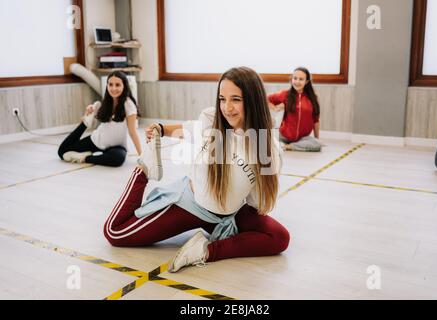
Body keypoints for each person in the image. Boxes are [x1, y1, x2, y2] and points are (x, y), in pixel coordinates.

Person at [103, 66, 290, 273]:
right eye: (222, 99)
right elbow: (187, 129)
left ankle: (205, 251)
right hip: (190, 205)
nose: (227, 108)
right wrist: (161, 129)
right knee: (115, 232)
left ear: (253, 100)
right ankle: (143, 169)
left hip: (226, 216)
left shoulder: (269, 149)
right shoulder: (211, 120)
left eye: (236, 99)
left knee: (280, 238)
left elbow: (255, 202)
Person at [57, 71, 142, 167]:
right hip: (96, 141)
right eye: (110, 84)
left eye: (117, 85)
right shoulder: (107, 102)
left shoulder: (128, 104)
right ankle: (86, 122)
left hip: (116, 146)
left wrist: (142, 156)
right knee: (62, 152)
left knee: (118, 159)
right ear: (107, 86)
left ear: (124, 86)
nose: (113, 88)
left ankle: (84, 158)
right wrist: (87, 116)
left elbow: (133, 132)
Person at [268, 67, 322, 152]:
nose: (297, 82)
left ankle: (288, 147)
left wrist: (316, 139)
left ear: (306, 81)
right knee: (270, 141)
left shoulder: (313, 99)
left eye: (301, 79)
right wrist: (275, 108)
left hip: (302, 139)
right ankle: (286, 145)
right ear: (291, 79)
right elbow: (266, 99)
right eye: (295, 78)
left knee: (318, 144)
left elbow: (316, 120)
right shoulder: (285, 95)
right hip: (284, 136)